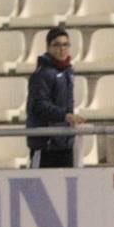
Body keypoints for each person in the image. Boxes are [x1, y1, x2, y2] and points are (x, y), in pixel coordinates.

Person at [25, 27, 84, 169]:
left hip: (64, 142)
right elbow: (38, 106)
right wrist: (65, 116)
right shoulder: (42, 74)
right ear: (48, 47)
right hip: (46, 144)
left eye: (65, 45)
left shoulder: (67, 71)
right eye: (57, 44)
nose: (62, 49)